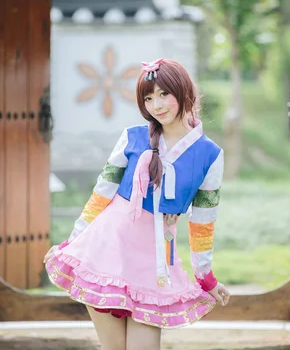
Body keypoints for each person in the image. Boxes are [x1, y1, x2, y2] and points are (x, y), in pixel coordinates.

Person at [44, 58, 230, 350]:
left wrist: (205, 276)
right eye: (149, 97)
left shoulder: (210, 155)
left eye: (164, 94)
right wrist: (74, 242)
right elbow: (101, 193)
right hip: (106, 251)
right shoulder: (132, 137)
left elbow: (203, 222)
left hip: (154, 259)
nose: (157, 105)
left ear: (184, 93)